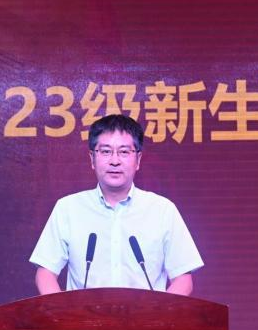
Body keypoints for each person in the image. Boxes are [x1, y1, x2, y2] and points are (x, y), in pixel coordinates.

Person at [29, 114, 203, 295]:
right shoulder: (67, 209)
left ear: (138, 160)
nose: (114, 161)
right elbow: (45, 273)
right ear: (92, 159)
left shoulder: (162, 210)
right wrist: (63, 311)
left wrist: (160, 312)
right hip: (82, 314)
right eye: (105, 151)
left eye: (124, 152)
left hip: (147, 314)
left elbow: (183, 278)